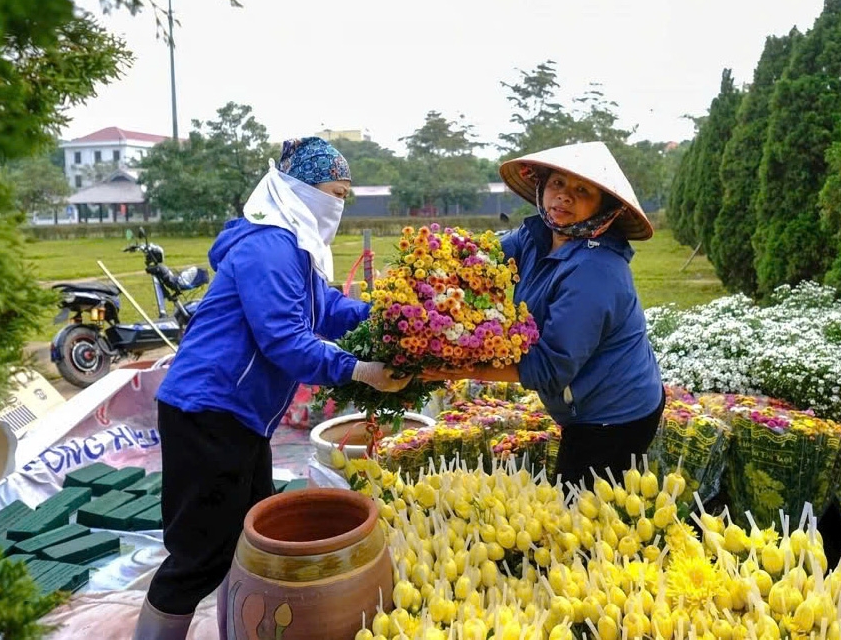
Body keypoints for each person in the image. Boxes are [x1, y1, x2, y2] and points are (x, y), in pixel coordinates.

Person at [133, 138, 410, 640]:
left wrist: (392, 316)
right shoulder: (269, 246)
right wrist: (360, 370)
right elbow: (285, 340)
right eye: (333, 192)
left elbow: (325, 308)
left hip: (239, 418)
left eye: (345, 196)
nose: (338, 206)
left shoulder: (296, 247)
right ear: (298, 188)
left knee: (250, 537)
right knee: (200, 555)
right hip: (208, 412)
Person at [422, 141, 665, 493]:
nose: (564, 197)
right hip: (582, 402)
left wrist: (461, 368)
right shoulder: (536, 236)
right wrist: (426, 269)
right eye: (557, 184)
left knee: (580, 514)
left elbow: (550, 369)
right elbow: (481, 258)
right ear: (542, 187)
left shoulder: (595, 272)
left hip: (614, 415)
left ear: (603, 208)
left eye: (582, 191)